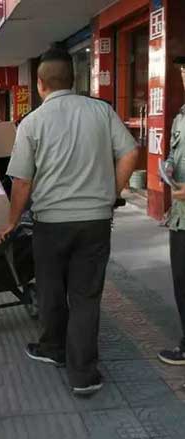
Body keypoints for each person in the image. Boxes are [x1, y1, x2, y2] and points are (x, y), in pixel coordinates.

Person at [0, 48, 138, 396]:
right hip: (95, 221)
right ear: (73, 80)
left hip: (51, 223)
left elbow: (22, 182)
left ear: (40, 84)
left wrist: (11, 221)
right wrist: (110, 193)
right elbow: (130, 152)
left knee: (51, 289)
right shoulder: (102, 111)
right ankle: (83, 375)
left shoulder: (32, 122)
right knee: (86, 295)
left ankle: (54, 348)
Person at [158, 56, 185, 366]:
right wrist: (168, 166)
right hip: (180, 218)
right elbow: (176, 155)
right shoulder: (180, 117)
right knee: (181, 282)